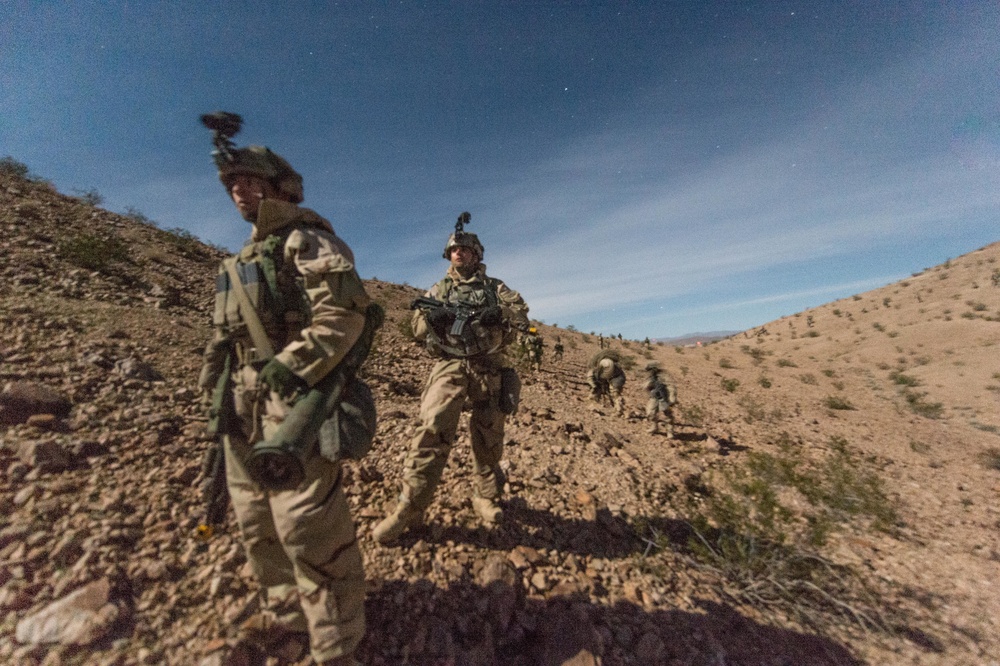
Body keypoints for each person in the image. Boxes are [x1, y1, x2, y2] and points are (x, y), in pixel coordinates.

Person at [196, 115, 369, 666]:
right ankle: (289, 618)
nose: (238, 191)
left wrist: (292, 368)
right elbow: (222, 341)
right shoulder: (237, 262)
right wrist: (214, 397)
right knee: (254, 520)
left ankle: (339, 642)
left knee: (307, 524)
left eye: (249, 181)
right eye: (232, 184)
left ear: (277, 187)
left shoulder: (307, 240)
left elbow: (344, 314)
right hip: (241, 404)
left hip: (296, 399)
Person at [373, 216, 529, 545]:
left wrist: (500, 317)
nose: (458, 253)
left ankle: (485, 496)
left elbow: (521, 320)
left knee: (489, 439)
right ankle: (410, 508)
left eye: (464, 249)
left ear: (476, 254)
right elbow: (415, 329)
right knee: (430, 433)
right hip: (449, 367)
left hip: (489, 368)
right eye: (454, 249)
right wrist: (432, 319)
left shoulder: (495, 288)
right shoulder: (438, 290)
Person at [644, 362, 678, 437]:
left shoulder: (664, 376)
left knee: (667, 415)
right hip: (654, 397)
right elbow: (647, 386)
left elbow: (671, 387)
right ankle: (654, 427)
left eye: (651, 370)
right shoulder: (651, 376)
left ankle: (670, 431)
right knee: (650, 413)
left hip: (664, 397)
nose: (650, 371)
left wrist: (672, 398)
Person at [587, 352, 626, 416]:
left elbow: (617, 380)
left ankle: (619, 410)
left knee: (615, 392)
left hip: (616, 378)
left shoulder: (617, 371)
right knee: (595, 392)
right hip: (601, 380)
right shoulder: (594, 369)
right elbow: (589, 378)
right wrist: (594, 386)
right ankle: (592, 406)